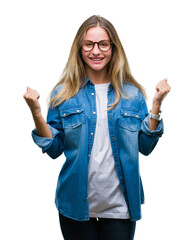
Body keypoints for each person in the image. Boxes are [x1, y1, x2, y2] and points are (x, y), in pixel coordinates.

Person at [23, 15, 171, 240]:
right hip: (75, 205)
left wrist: (156, 106)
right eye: (89, 44)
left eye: (103, 44)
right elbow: (54, 150)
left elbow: (145, 146)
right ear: (80, 48)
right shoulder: (63, 94)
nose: (96, 51)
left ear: (113, 48)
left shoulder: (132, 94)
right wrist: (36, 113)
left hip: (120, 208)